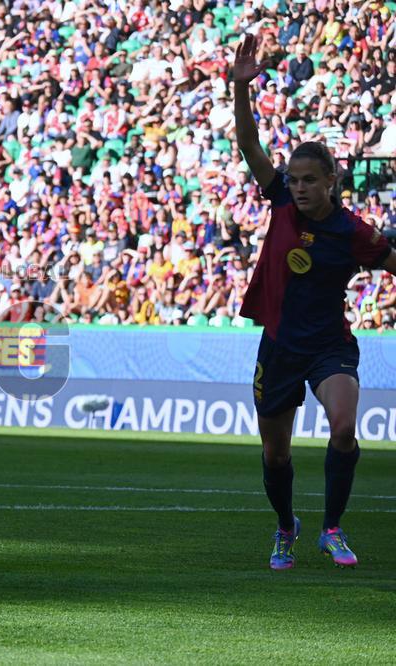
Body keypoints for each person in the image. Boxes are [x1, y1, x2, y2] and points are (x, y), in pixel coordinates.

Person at [233, 34, 396, 571]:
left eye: (309, 180)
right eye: (294, 179)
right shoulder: (280, 200)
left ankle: (331, 529)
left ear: (332, 181)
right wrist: (240, 89)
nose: (298, 187)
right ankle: (286, 528)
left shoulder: (355, 232)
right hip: (280, 346)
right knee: (275, 453)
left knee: (344, 427)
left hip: (330, 346)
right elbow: (249, 144)